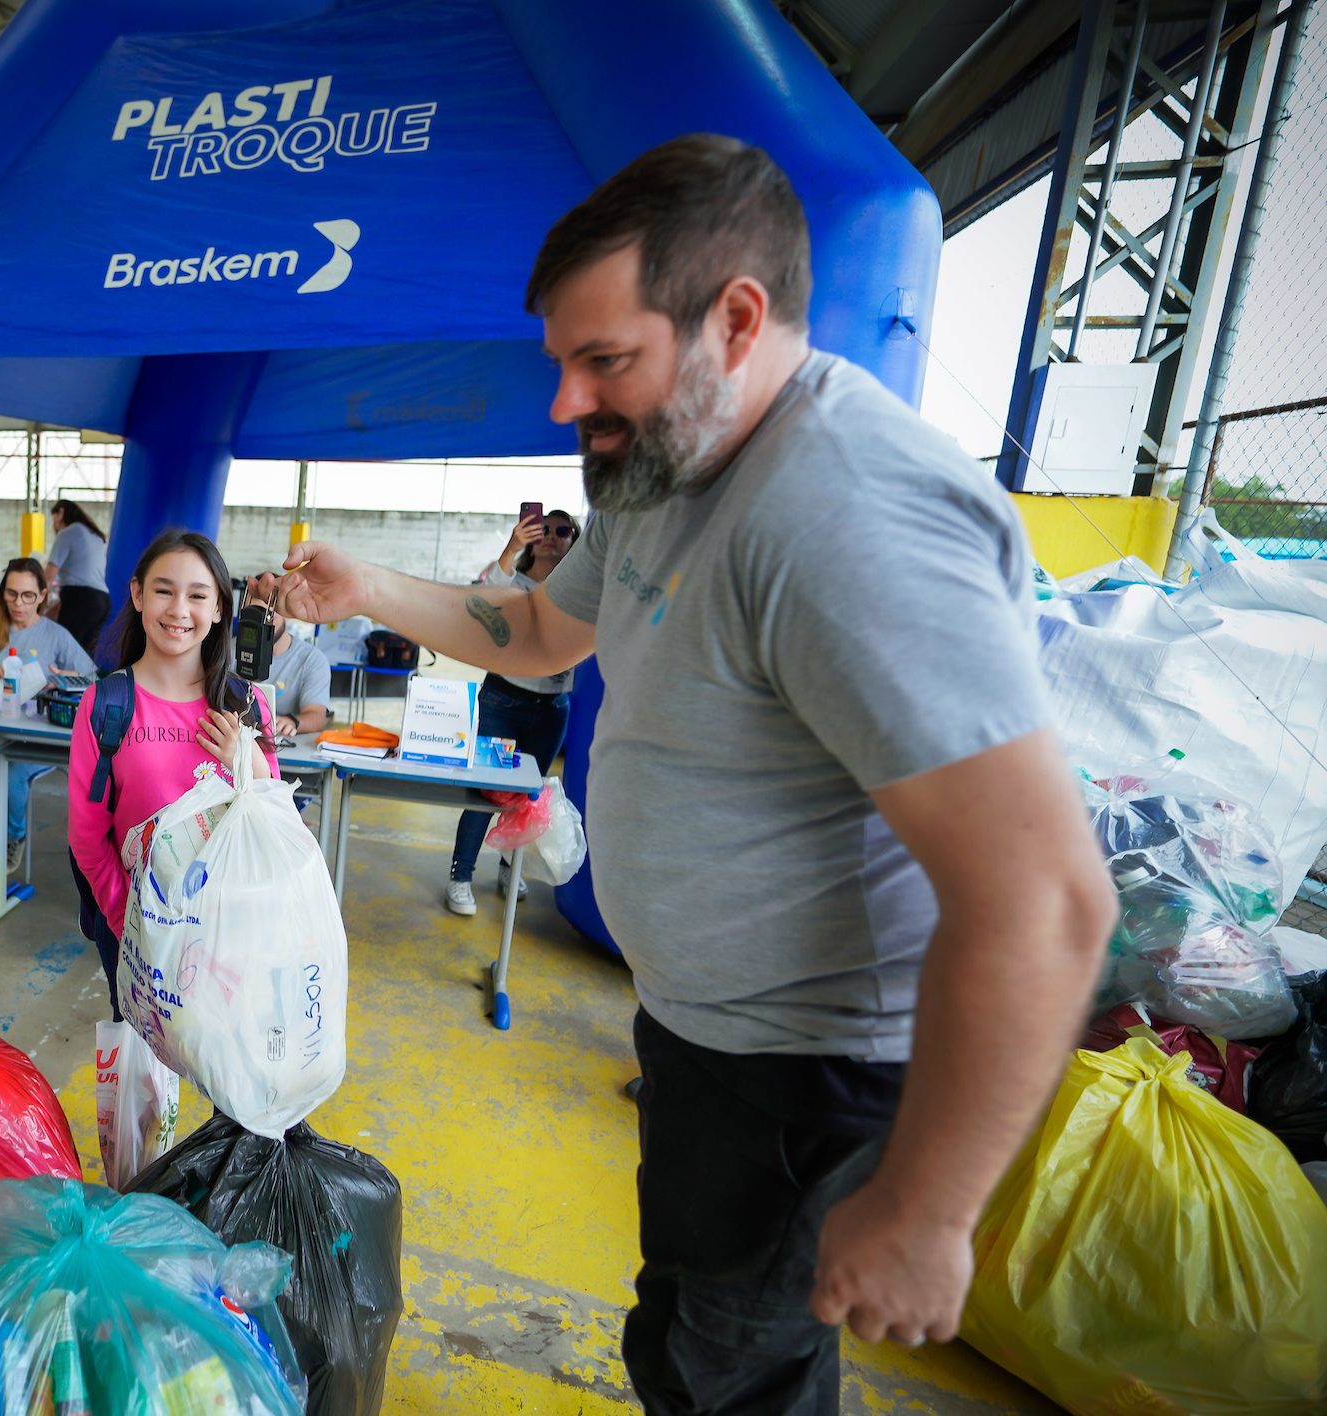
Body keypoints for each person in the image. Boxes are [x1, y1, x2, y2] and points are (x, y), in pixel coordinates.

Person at [262, 135, 1113, 1413]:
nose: (565, 402)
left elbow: (1044, 899)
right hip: (702, 1036)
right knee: (682, 1341)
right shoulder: (660, 470)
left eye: (603, 360)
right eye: (562, 360)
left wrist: (932, 1208)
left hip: (807, 1070)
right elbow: (543, 634)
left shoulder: (849, 512)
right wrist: (369, 586)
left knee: (729, 1378)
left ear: (736, 318)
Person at [66, 531, 277, 1021]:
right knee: (145, 1082)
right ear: (138, 594)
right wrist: (129, 922)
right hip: (134, 929)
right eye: (164, 590)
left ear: (221, 607)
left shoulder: (247, 705)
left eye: (198, 595)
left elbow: (275, 823)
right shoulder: (106, 705)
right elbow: (87, 835)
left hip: (231, 928)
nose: (179, 609)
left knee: (229, 1077)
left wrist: (251, 766)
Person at [445, 507, 579, 916]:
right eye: (545, 528)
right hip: (503, 700)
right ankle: (460, 875)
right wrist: (512, 545)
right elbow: (480, 595)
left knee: (528, 794)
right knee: (482, 790)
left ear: (577, 540)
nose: (553, 535)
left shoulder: (581, 591)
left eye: (564, 529)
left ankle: (509, 867)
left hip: (553, 706)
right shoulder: (513, 582)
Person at [0, 557, 95, 877]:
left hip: (32, 734)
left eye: (28, 595)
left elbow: (92, 677)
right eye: (12, 594)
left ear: (43, 595)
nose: (19, 603)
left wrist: (67, 677)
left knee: (14, 776)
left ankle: (13, 836)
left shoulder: (55, 635)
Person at [237, 577, 332, 742]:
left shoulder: (312, 660)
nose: (260, 628)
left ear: (285, 613)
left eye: (267, 618)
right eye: (253, 619)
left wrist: (291, 722)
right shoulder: (225, 651)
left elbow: (318, 716)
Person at [45, 498, 111, 654]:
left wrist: (34, 608)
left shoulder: (67, 533)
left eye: (53, 517)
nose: (53, 524)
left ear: (61, 513)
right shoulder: (93, 535)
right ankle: (88, 680)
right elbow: (81, 577)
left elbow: (48, 576)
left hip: (81, 600)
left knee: (66, 654)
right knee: (85, 657)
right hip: (101, 601)